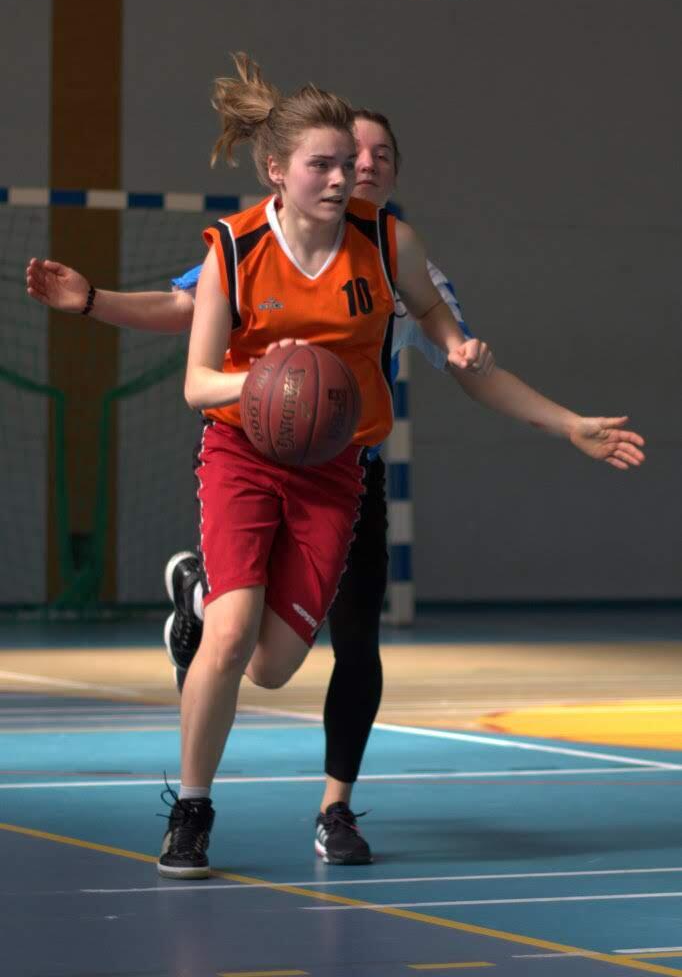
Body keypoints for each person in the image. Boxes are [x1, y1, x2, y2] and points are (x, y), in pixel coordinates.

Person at [26, 94, 645, 875]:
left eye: (349, 164)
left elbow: (445, 332)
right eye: (324, 163)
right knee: (231, 634)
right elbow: (195, 376)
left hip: (337, 465)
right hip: (245, 452)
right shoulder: (236, 247)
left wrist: (550, 410)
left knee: (272, 666)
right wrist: (268, 380)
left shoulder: (390, 243)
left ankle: (196, 596)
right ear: (276, 171)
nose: (343, 176)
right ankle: (191, 811)